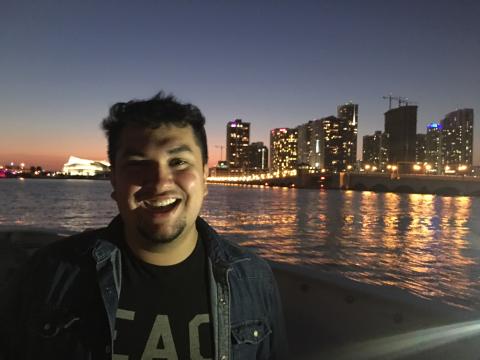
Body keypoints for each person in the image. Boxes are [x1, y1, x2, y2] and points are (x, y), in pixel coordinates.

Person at [0, 92, 288, 359]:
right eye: (138, 164)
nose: (160, 182)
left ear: (204, 177)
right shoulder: (50, 274)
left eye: (178, 161)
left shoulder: (253, 279)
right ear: (114, 181)